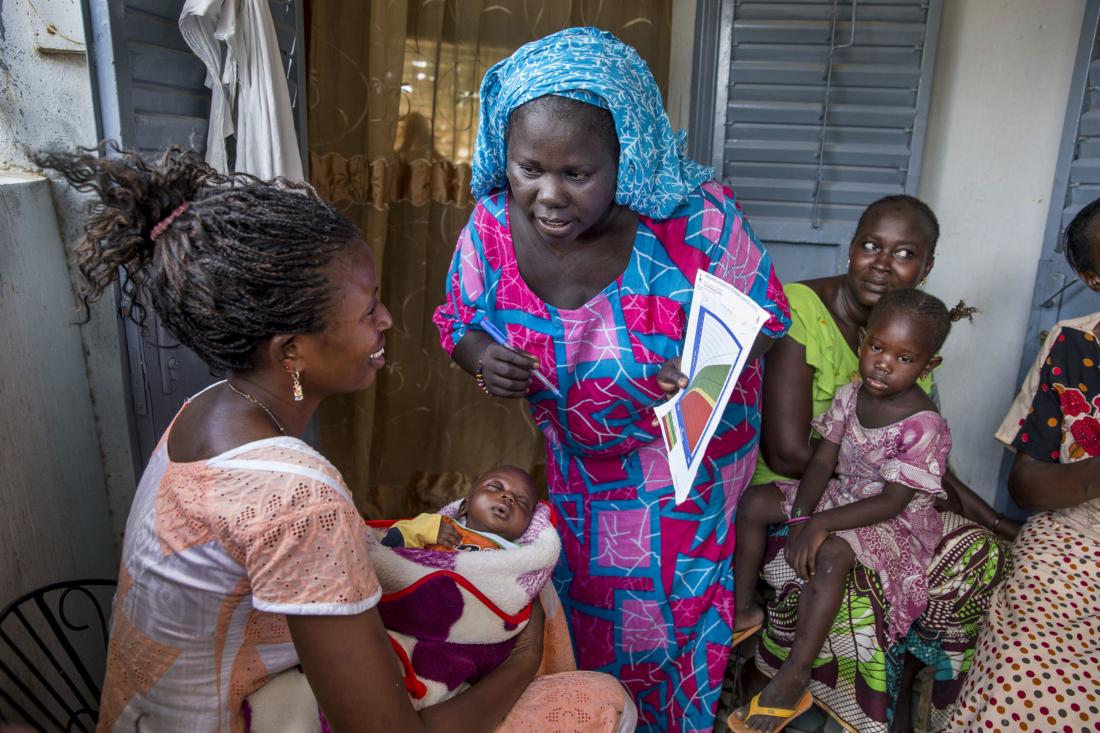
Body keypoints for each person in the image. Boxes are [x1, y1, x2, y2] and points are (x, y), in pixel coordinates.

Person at [37, 145, 632, 733]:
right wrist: (525, 661)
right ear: (291, 350)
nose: (386, 322)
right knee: (599, 701)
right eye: (368, 309)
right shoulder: (297, 496)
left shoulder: (204, 412)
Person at [432, 27, 791, 732]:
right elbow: (456, 320)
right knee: (582, 590)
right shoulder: (492, 228)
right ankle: (596, 716)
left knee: (670, 609)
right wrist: (482, 359)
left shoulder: (694, 221)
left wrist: (697, 374)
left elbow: (762, 319)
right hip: (577, 452)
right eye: (529, 167)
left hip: (681, 452)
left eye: (578, 173)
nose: (549, 195)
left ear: (624, 158)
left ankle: (668, 720)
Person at [746, 195, 1013, 733]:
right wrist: (812, 516)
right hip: (804, 491)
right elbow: (790, 453)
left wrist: (996, 520)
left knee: (982, 554)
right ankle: (791, 674)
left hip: (872, 501)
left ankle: (909, 700)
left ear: (926, 268)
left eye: (905, 253)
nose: (883, 263)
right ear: (851, 248)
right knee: (842, 567)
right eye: (871, 245)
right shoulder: (802, 311)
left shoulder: (912, 346)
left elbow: (926, 470)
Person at [730, 290, 962, 732]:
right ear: (862, 341)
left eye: (904, 358)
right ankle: (743, 610)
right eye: (877, 348)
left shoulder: (923, 424)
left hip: (892, 519)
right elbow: (822, 460)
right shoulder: (853, 394)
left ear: (928, 367)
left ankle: (794, 676)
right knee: (756, 503)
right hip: (848, 494)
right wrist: (801, 516)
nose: (883, 364)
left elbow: (893, 501)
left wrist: (819, 523)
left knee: (833, 554)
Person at [947, 198, 1100, 732]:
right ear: (1092, 277)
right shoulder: (1075, 346)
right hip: (1077, 541)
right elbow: (1028, 484)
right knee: (1025, 672)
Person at [381, 465, 537, 550]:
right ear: (464, 506)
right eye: (495, 487)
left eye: (522, 502)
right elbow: (389, 546)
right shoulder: (441, 525)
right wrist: (428, 530)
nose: (509, 497)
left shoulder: (518, 556)